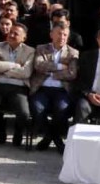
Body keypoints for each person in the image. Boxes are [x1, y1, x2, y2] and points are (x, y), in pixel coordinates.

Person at [0, 21, 35, 145]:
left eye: (15, 34)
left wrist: (4, 70)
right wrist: (14, 65)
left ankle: (18, 131)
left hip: (19, 88)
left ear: (24, 38)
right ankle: (0, 126)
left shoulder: (30, 51)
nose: (11, 35)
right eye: (10, 32)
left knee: (24, 114)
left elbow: (26, 72)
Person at [30, 20, 79, 151]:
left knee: (62, 109)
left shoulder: (73, 53)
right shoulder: (41, 49)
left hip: (61, 90)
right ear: (51, 34)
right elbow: (39, 65)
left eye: (64, 35)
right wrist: (60, 66)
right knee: (37, 108)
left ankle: (48, 138)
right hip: (42, 89)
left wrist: (51, 74)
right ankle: (56, 139)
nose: (61, 37)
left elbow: (72, 74)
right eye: (59, 34)